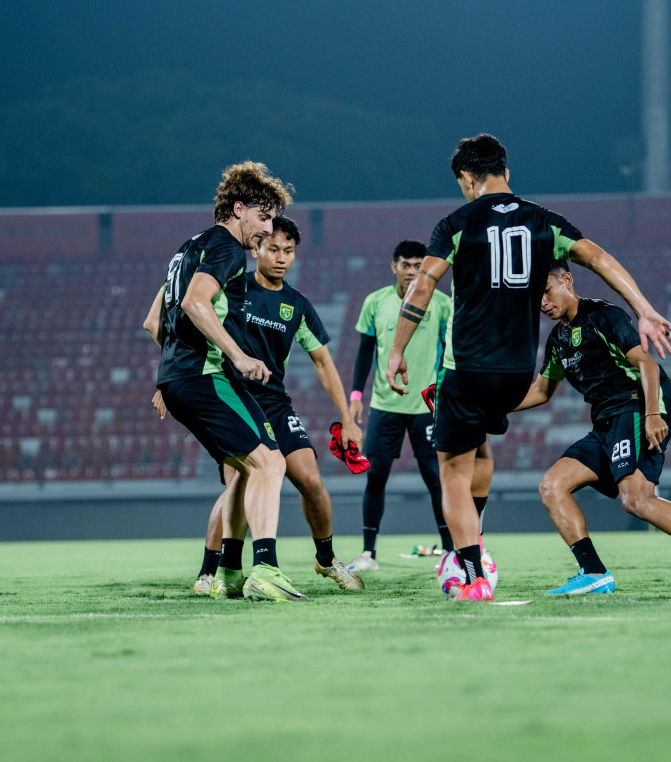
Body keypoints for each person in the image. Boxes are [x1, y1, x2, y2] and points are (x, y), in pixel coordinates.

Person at [386, 133, 671, 601]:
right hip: (518, 372)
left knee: (452, 472)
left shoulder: (456, 223)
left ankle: (473, 572)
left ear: (466, 177)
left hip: (467, 368)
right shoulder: (545, 221)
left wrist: (397, 350)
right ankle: (474, 546)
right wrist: (642, 307)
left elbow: (422, 288)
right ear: (506, 171)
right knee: (480, 451)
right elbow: (599, 259)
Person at [146, 216, 365, 595]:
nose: (281, 258)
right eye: (274, 248)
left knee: (310, 479)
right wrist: (175, 373)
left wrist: (347, 418)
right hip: (231, 392)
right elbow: (173, 318)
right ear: (257, 247)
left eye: (289, 251)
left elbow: (323, 361)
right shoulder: (229, 280)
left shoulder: (296, 304)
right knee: (240, 481)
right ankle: (212, 571)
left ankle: (327, 560)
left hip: (274, 403)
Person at [515, 262, 671, 595]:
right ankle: (593, 572)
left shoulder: (603, 316)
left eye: (546, 292)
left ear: (566, 279)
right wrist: (486, 408)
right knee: (552, 486)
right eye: (535, 298)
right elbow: (540, 391)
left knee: (636, 499)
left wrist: (653, 414)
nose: (542, 302)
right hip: (606, 421)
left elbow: (647, 364)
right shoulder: (558, 340)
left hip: (636, 406)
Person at [153, 161, 304, 601]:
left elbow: (152, 321)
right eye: (262, 217)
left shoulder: (187, 248)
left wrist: (169, 374)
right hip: (208, 375)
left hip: (180, 377)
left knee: (245, 471)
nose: (267, 229)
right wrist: (238, 355)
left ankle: (227, 574)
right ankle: (267, 571)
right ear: (238, 209)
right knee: (271, 464)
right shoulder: (227, 249)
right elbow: (195, 303)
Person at [349, 240, 452, 570]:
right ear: (394, 267)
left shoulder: (442, 304)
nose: (412, 271)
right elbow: (365, 351)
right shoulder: (375, 302)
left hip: (427, 407)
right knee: (376, 477)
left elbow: (449, 353)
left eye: (419, 266)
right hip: (385, 403)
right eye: (406, 265)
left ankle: (452, 552)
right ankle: (369, 554)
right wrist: (355, 396)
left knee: (436, 480)